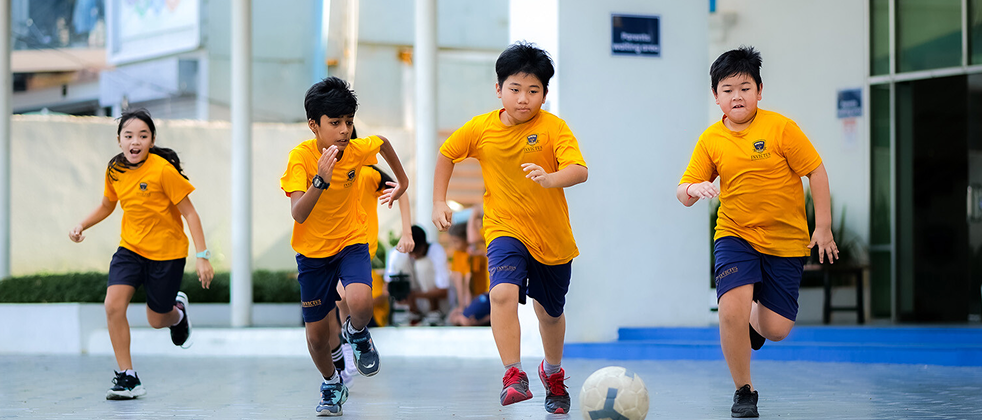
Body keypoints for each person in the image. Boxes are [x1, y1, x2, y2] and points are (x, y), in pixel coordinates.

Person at [676, 46, 837, 418]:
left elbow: (816, 171)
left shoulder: (781, 128)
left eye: (745, 88)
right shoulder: (710, 140)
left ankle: (754, 318)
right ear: (715, 96)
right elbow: (683, 191)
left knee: (777, 329)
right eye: (728, 89)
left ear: (760, 91)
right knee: (730, 307)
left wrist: (823, 228)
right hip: (735, 235)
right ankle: (744, 391)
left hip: (785, 242)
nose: (737, 96)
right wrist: (693, 189)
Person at [432, 41, 588, 415]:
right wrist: (439, 200)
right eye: (515, 89)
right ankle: (513, 374)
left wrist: (551, 179)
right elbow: (447, 154)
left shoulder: (554, 128)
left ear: (545, 94)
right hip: (504, 228)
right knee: (502, 294)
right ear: (498, 89)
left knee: (549, 313)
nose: (523, 99)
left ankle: (552, 373)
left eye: (533, 91)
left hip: (551, 238)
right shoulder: (481, 128)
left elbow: (579, 170)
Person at [280, 77, 410, 416]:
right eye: (335, 123)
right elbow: (298, 212)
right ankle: (331, 383)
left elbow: (380, 143)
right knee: (317, 338)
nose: (344, 130)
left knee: (360, 302)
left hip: (351, 243)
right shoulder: (301, 158)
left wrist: (403, 180)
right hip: (312, 255)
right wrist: (320, 180)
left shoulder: (354, 150)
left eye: (348, 122)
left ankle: (357, 334)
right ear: (314, 125)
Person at [68, 108, 214, 400]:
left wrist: (203, 255)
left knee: (156, 319)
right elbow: (108, 205)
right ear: (120, 140)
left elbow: (190, 214)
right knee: (112, 305)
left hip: (167, 253)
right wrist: (82, 224)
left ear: (152, 139)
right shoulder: (115, 170)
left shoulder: (163, 170)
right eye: (129, 135)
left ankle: (177, 313)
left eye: (143, 136)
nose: (135, 141)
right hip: (130, 250)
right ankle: (128, 377)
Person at [333, 162, 414, 384]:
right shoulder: (323, 169)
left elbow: (401, 190)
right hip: (331, 247)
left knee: (342, 296)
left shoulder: (367, 173)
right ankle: (351, 350)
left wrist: (406, 232)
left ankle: (351, 349)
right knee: (340, 300)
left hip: (359, 248)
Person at [384, 225, 450, 324]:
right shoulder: (398, 254)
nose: (414, 256)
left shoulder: (436, 251)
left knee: (422, 264)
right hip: (412, 304)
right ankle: (413, 312)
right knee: (402, 261)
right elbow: (387, 287)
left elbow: (443, 291)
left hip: (437, 305)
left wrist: (413, 294)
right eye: (411, 253)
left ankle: (434, 311)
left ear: (424, 245)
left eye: (417, 252)